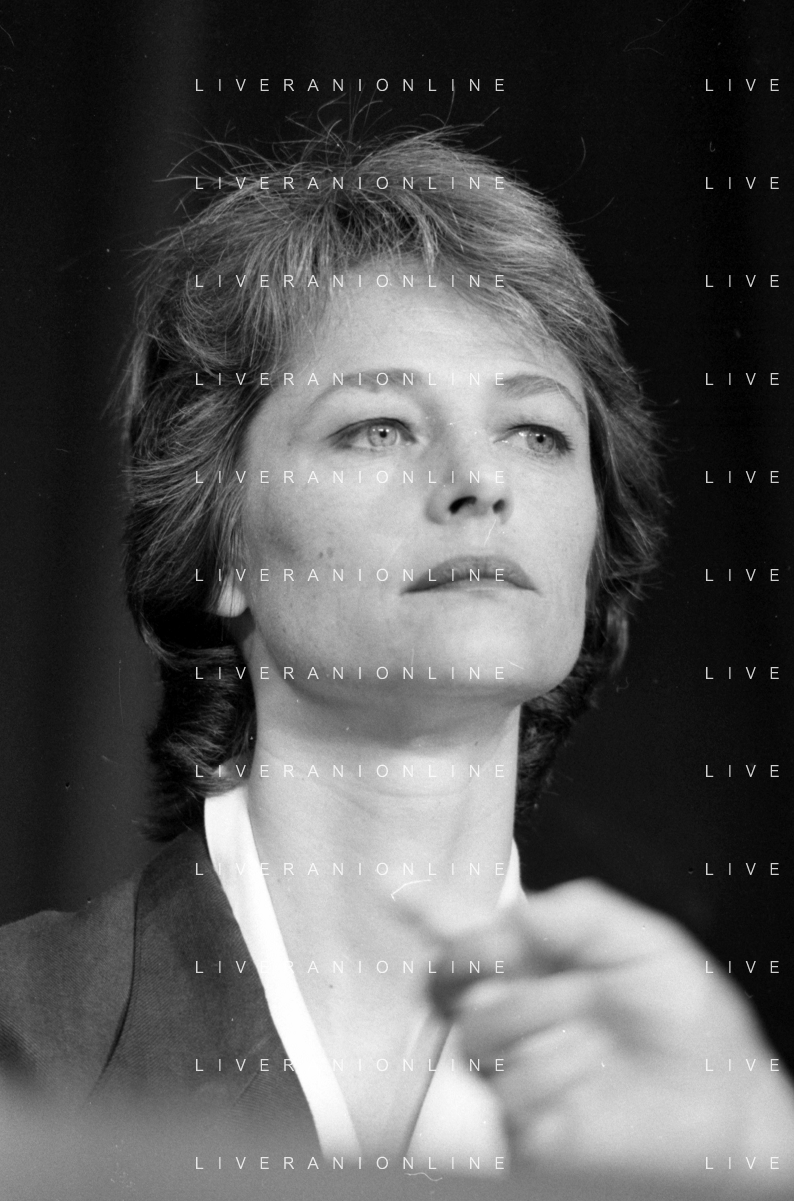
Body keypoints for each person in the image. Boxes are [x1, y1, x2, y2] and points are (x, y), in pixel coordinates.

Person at [1, 128, 792, 1184]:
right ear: (221, 547)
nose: (479, 480)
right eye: (378, 426)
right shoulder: (23, 1036)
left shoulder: (701, 1096)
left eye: (536, 432)